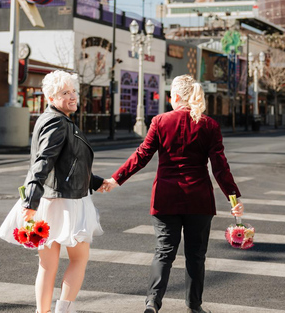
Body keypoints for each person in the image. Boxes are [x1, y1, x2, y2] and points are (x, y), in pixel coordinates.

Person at [101, 75, 243, 313]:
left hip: (166, 197)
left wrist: (116, 179)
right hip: (199, 198)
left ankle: (152, 303)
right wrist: (233, 198)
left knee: (164, 252)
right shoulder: (209, 125)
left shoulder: (160, 121)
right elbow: (220, 167)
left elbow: (142, 155)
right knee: (196, 256)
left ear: (175, 96)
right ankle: (194, 306)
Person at [0, 70, 106, 313]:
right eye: (65, 93)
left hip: (51, 198)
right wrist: (30, 203)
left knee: (48, 265)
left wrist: (95, 181)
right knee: (78, 258)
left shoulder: (54, 119)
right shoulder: (57, 121)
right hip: (62, 201)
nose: (73, 96)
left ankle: (43, 312)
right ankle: (63, 311)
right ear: (51, 97)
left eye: (74, 91)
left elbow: (66, 164)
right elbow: (43, 162)